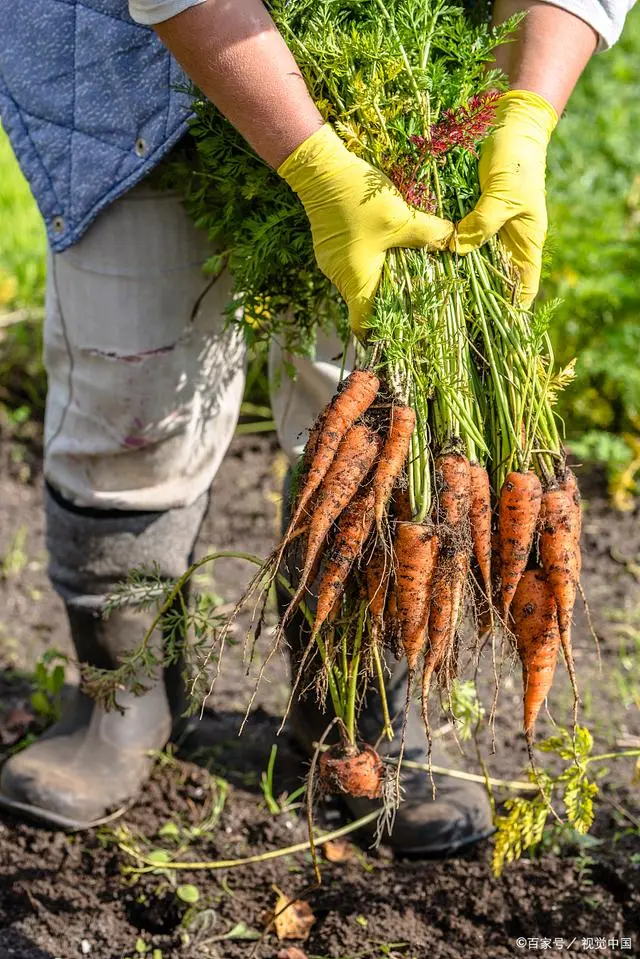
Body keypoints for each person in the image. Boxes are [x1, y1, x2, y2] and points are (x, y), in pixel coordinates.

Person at [0, 0, 632, 849]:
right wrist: (314, 164)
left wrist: (524, 113)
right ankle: (123, 695)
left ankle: (356, 710)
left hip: (402, 81)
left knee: (371, 395)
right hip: (124, 62)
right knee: (130, 391)